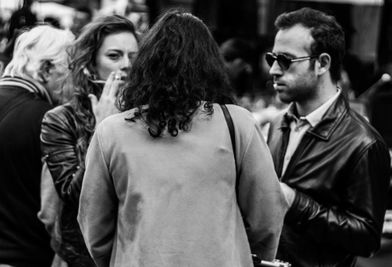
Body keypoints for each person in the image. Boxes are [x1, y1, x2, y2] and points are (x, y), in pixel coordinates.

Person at [77, 9, 287, 267]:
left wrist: (126, 254)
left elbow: (93, 225)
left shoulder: (111, 131)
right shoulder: (237, 124)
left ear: (145, 64)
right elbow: (267, 214)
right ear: (211, 66)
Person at [266, 7, 391, 267]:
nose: (274, 70)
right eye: (272, 59)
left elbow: (367, 239)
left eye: (286, 60)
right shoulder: (278, 124)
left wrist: (295, 203)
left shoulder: (364, 143)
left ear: (322, 63)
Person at [40, 15, 140, 267]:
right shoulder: (61, 119)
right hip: (82, 257)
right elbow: (73, 195)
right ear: (90, 65)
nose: (127, 65)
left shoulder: (149, 116)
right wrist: (101, 131)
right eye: (115, 56)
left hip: (135, 251)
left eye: (134, 56)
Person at [0, 25, 74, 267]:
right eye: (70, 71)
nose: (73, 83)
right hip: (25, 256)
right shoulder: (47, 119)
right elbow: (56, 208)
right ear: (45, 69)